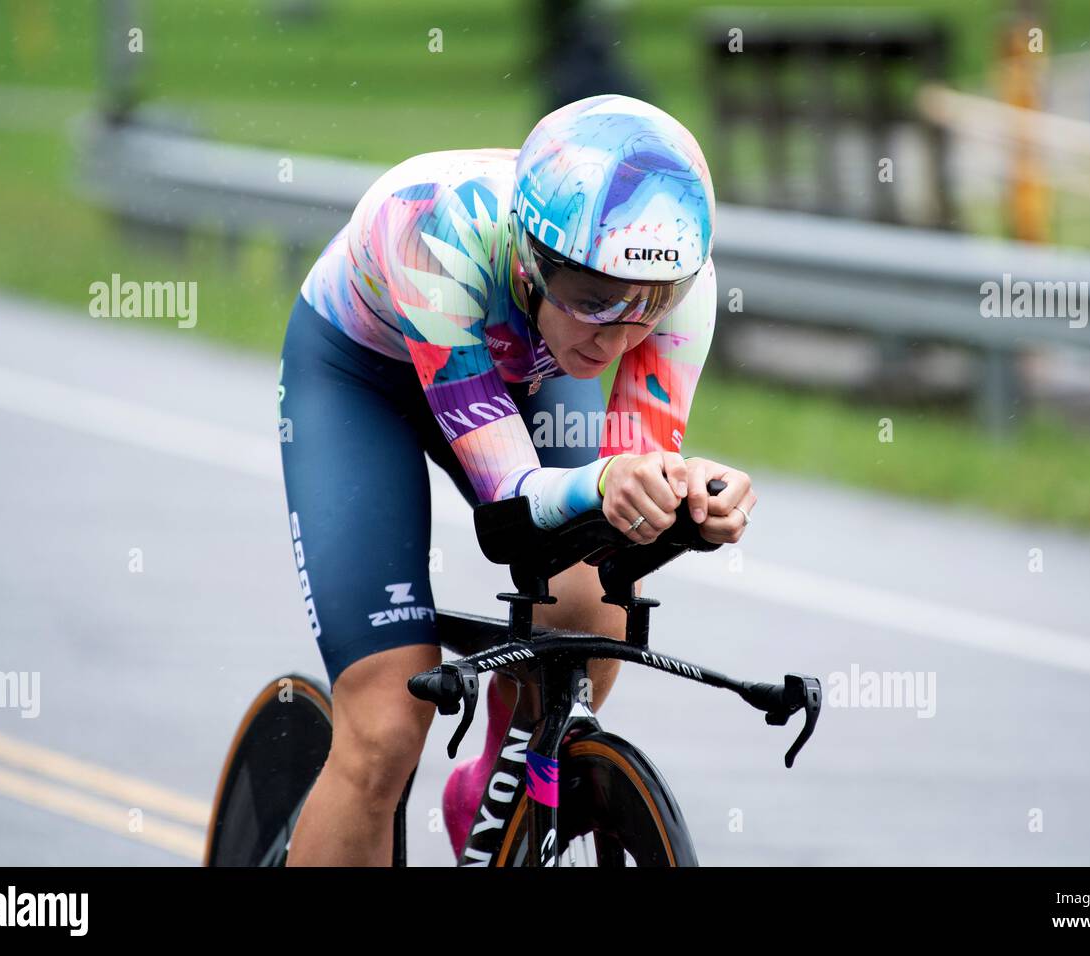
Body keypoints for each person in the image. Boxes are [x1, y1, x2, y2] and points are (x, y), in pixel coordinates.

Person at [276, 93, 757, 865]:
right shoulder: (437, 234)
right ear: (531, 261)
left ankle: (497, 787)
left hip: (523, 372)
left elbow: (626, 490)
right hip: (362, 381)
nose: (621, 335)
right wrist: (609, 483)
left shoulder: (676, 282)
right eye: (592, 299)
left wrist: (689, 497)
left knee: (595, 601)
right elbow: (510, 502)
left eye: (648, 309)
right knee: (386, 725)